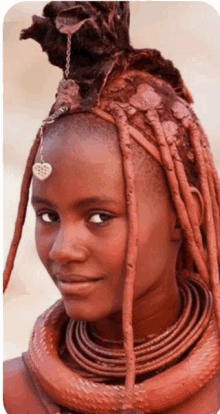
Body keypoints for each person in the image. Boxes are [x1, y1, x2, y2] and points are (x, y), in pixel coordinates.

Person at [3, 2, 220, 413]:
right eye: (48, 216)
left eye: (99, 217)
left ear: (185, 215)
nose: (63, 249)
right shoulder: (11, 393)